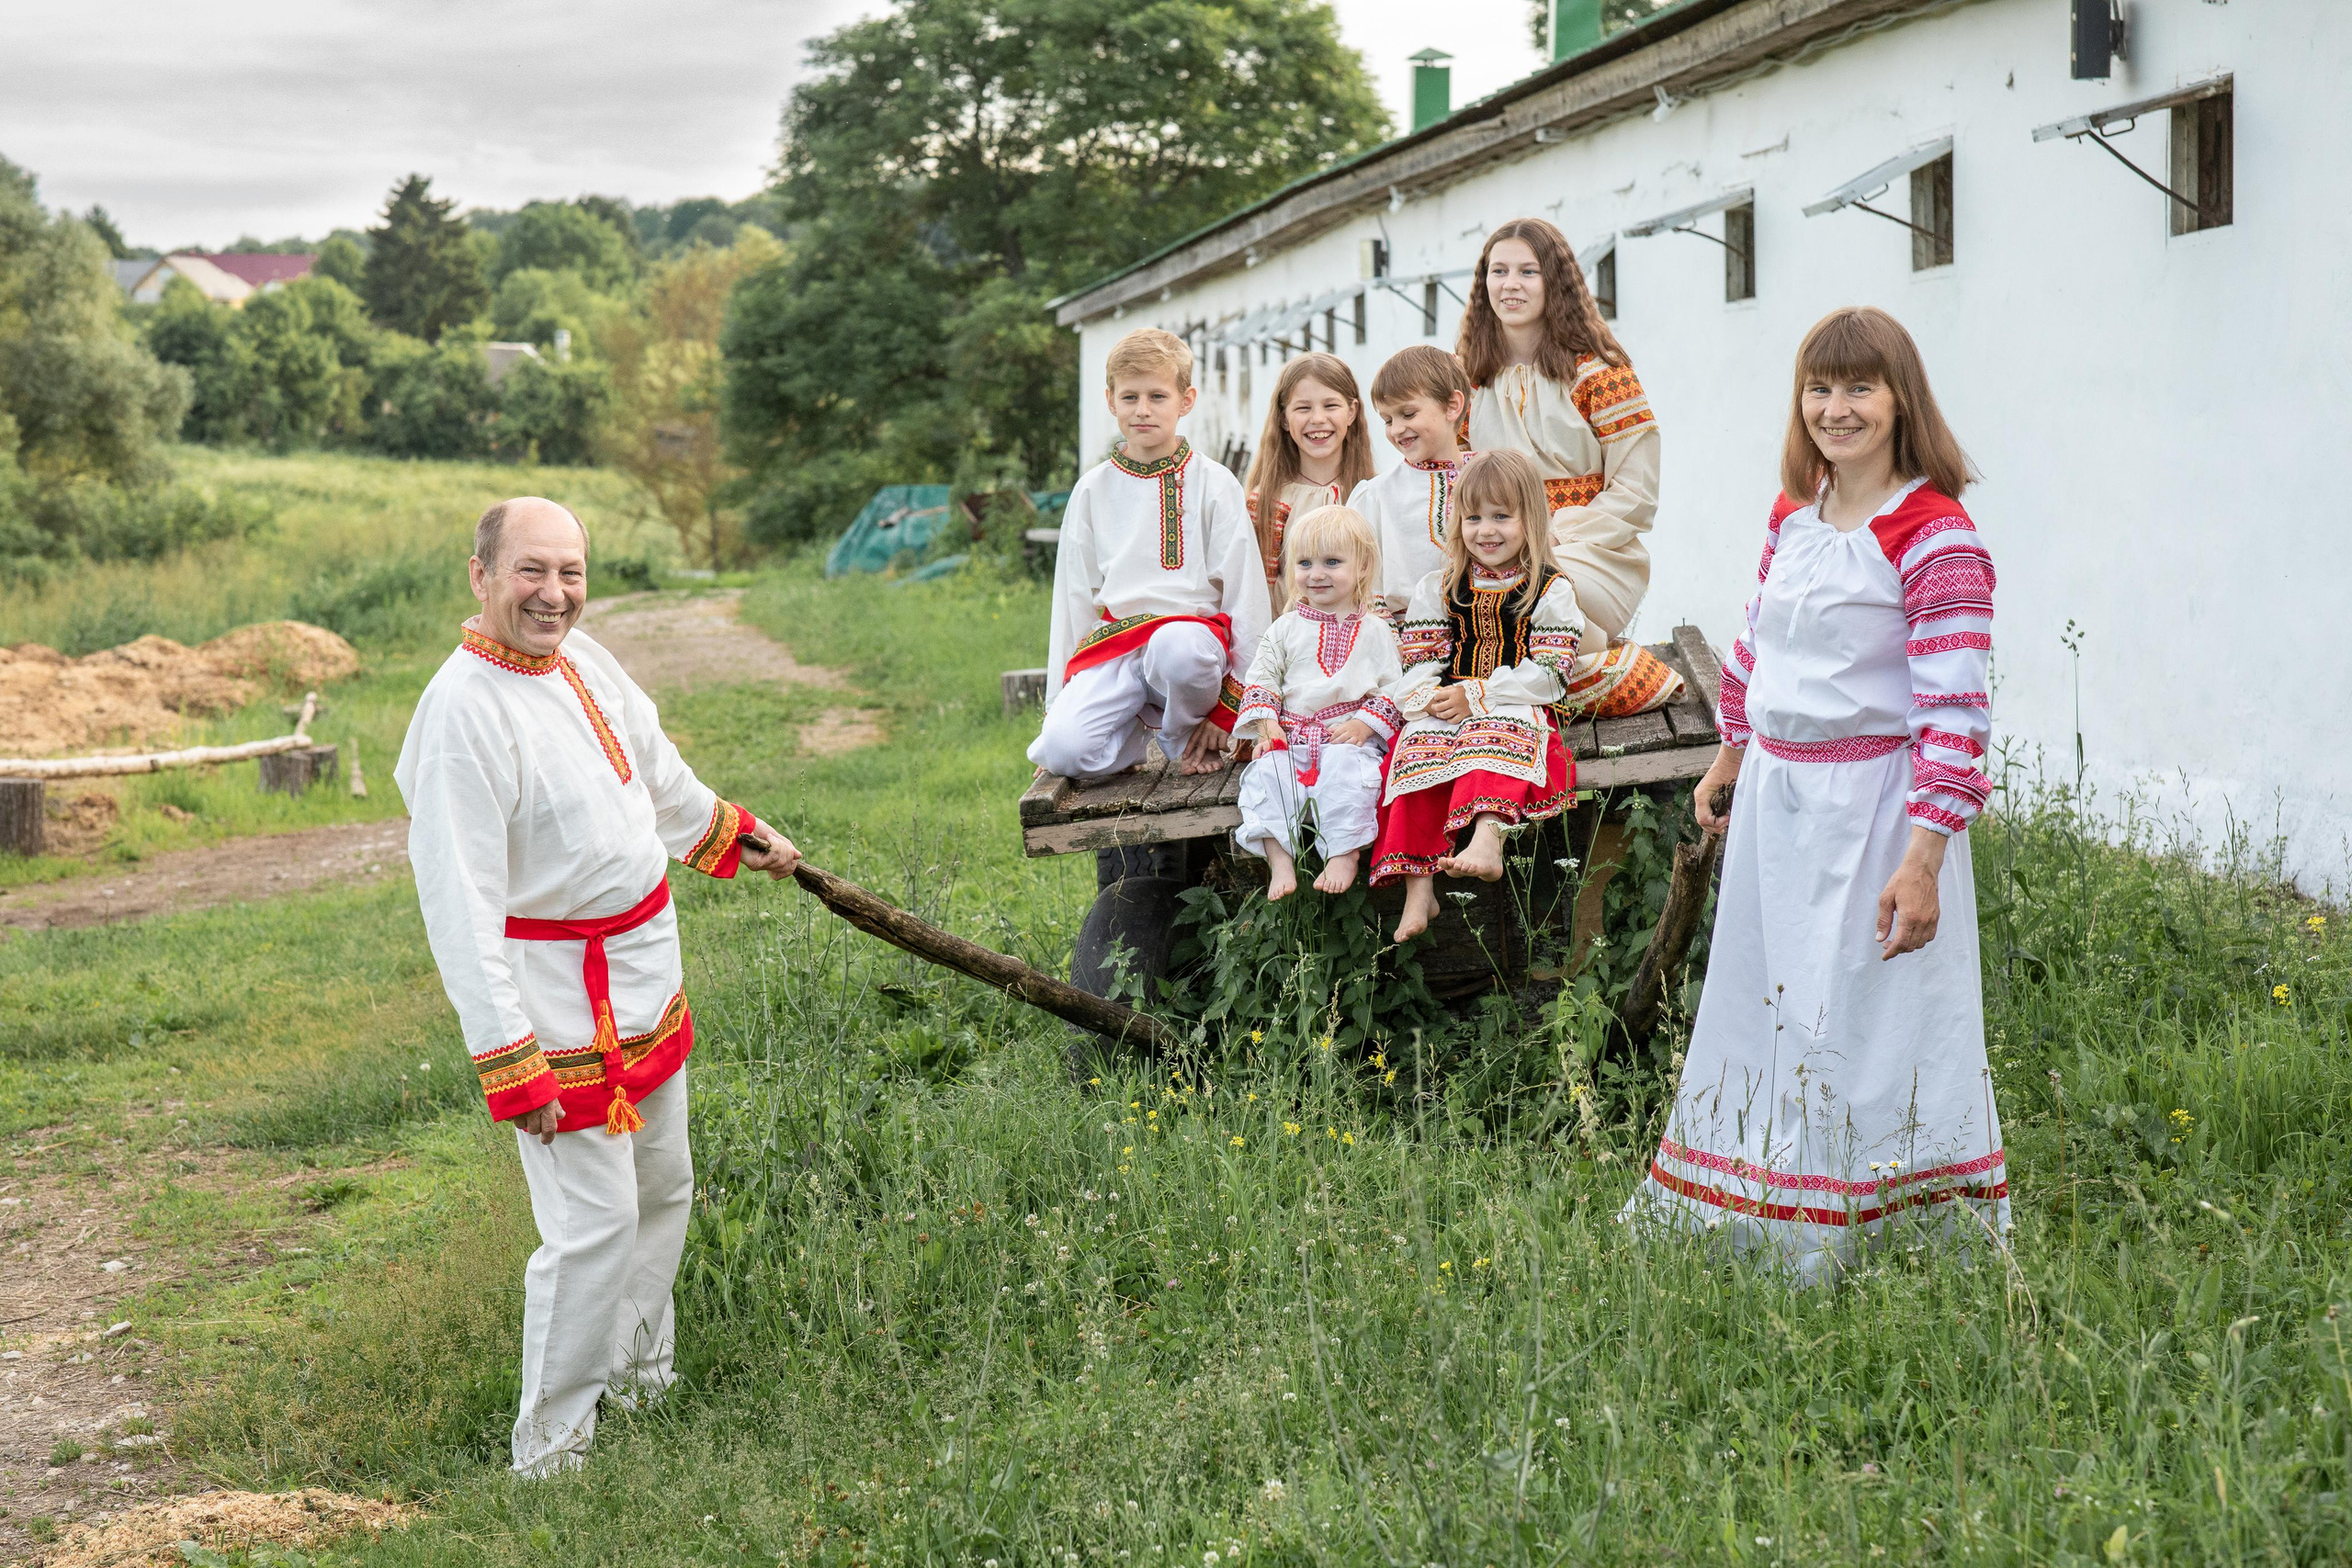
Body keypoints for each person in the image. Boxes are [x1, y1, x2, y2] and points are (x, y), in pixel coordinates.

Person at [393, 497, 803, 1475]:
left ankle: (639, 1379)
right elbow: (460, 904)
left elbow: (658, 779)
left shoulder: (586, 659)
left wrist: (734, 831)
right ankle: (553, 1451)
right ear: (480, 575)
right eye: (531, 571)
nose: (554, 593)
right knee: (592, 1227)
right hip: (552, 999)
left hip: (644, 972)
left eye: (570, 572)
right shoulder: (461, 712)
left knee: (664, 1187)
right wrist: (511, 1057)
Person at [1623, 307, 2007, 1282]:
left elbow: (1955, 708)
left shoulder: (1934, 534)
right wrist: (1728, 759)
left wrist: (1922, 858)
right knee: (1769, 1006)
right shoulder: (1795, 514)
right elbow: (1755, 644)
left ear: (1898, 400)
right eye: (1819, 389)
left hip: (1874, 811)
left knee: (1862, 1018)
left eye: (1858, 389)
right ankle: (1762, 1201)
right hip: (1777, 809)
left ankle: (1867, 1227)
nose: (1835, 410)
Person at [1033, 328, 1269, 781]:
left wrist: (1234, 706)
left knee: (1177, 649)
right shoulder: (1092, 489)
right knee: (1062, 752)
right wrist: (1060, 698)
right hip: (1116, 646)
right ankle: (1133, 736)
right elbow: (1073, 598)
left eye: (1158, 396)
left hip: (1192, 653)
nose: (1142, 410)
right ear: (1110, 400)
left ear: (1186, 400)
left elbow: (1246, 594)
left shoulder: (1215, 482)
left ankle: (1183, 737)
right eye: (1130, 397)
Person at [1369, 449, 1583, 942]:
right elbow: (1420, 659)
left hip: (1516, 701)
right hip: (1452, 702)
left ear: (1530, 519)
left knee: (1494, 739)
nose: (1486, 530)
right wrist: (1426, 701)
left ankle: (1488, 839)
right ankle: (1419, 889)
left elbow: (1551, 672)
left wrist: (1480, 695)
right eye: (1473, 518)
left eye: (1502, 516)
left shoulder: (1549, 590)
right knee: (1412, 754)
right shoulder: (1440, 587)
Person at [1459, 218, 1661, 650]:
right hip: (1489, 547)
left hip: (1589, 552)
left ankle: (1601, 668)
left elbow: (1636, 491)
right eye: (1499, 271)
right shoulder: (1466, 382)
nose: (1511, 284)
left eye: (1528, 271)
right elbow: (1446, 477)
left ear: (1556, 281)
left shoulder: (1600, 373)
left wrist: (1550, 535)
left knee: (1536, 593)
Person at [1232, 504, 1405, 898]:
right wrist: (1267, 725)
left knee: (1349, 773)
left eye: (1332, 561)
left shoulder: (1376, 630)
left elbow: (1393, 688)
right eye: (1305, 562)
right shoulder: (1285, 628)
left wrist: (1363, 725)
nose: (1316, 574)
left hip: (1346, 736)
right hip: (1291, 736)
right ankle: (1279, 859)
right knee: (1265, 776)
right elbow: (1262, 679)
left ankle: (1343, 852)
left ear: (1362, 565)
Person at [1349, 344, 1475, 624]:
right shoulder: (1376, 496)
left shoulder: (1491, 480)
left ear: (1452, 406)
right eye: (1387, 420)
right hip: (1405, 643)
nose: (1396, 430)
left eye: (1408, 414)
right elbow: (1364, 587)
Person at [1242, 352, 1377, 611]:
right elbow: (1256, 593)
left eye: (1330, 406)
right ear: (1283, 418)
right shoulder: (1267, 502)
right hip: (1289, 642)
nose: (1317, 419)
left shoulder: (1371, 495)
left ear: (1351, 412)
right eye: (1303, 408)